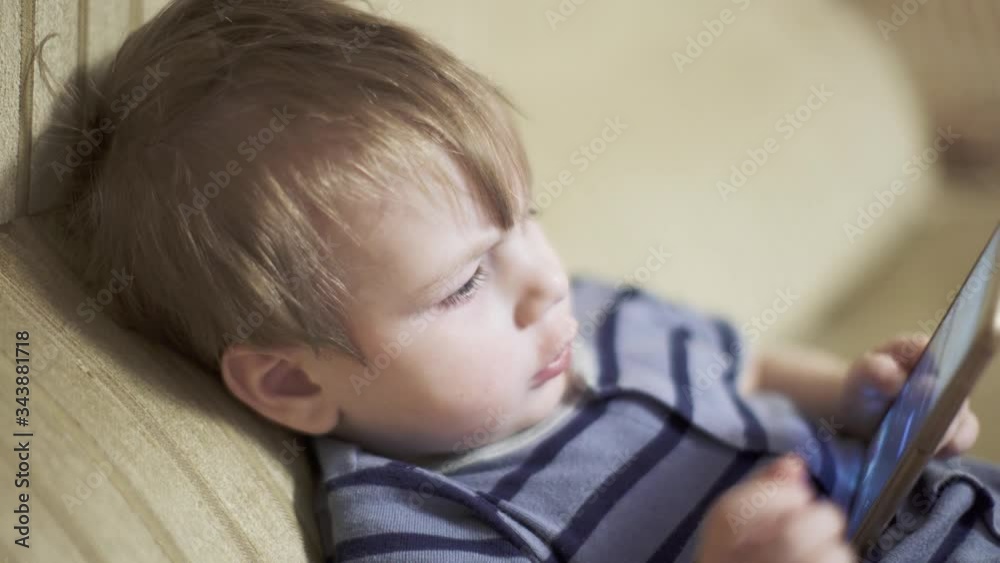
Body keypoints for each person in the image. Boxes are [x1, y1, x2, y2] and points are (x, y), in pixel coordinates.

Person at [57, 0, 996, 561]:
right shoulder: (418, 517)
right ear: (295, 380)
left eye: (526, 221)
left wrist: (866, 397)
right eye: (465, 282)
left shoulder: (592, 316)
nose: (545, 284)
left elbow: (745, 373)